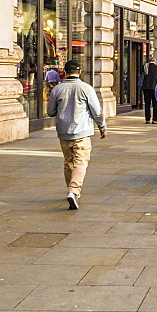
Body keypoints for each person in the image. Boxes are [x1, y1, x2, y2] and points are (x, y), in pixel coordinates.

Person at [47, 59, 106, 210]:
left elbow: (50, 111)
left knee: (68, 162)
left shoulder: (57, 90)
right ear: (79, 72)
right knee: (81, 161)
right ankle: (73, 190)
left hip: (63, 131)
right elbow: (96, 111)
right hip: (82, 132)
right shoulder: (87, 88)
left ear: (65, 73)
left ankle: (71, 191)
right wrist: (102, 127)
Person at [139, 55, 157, 124]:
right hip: (155, 88)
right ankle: (154, 119)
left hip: (146, 88)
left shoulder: (144, 66)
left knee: (147, 104)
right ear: (155, 61)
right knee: (155, 104)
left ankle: (147, 119)